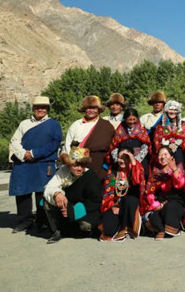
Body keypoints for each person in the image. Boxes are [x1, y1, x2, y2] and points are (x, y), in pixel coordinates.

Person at [9, 96, 62, 233]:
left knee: (42, 193)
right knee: (22, 192)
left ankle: (42, 220)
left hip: (44, 163)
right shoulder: (24, 124)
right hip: (23, 162)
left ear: (48, 109)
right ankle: (25, 221)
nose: (41, 110)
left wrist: (34, 153)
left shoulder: (54, 124)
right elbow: (15, 141)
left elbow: (55, 143)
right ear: (33, 108)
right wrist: (23, 154)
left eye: (44, 107)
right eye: (38, 107)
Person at [43, 146, 102, 244]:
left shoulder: (91, 176)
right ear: (69, 165)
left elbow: (95, 202)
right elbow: (49, 187)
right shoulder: (63, 170)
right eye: (75, 165)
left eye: (82, 166)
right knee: (46, 201)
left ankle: (71, 228)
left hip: (84, 208)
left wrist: (72, 211)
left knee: (86, 226)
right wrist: (57, 194)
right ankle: (57, 230)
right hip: (66, 204)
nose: (79, 169)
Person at [143, 146, 185, 240]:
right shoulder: (155, 171)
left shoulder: (178, 167)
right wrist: (155, 204)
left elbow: (180, 184)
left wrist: (174, 169)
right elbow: (149, 191)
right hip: (161, 201)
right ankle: (161, 229)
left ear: (171, 157)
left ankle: (172, 228)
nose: (163, 157)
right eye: (160, 155)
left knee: (170, 207)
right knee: (154, 216)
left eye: (165, 154)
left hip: (176, 200)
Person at [64, 96, 115, 180]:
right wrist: (72, 164)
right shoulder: (76, 124)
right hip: (78, 165)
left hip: (99, 166)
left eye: (94, 108)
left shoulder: (107, 126)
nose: (91, 110)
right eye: (89, 108)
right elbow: (67, 144)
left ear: (99, 110)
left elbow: (112, 146)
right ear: (84, 109)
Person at [99, 148, 144, 241]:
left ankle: (127, 228)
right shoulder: (113, 171)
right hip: (116, 203)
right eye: (120, 158)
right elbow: (108, 191)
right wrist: (113, 205)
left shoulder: (137, 168)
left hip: (131, 204)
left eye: (126, 158)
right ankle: (117, 229)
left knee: (129, 200)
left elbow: (138, 181)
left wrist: (133, 161)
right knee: (108, 231)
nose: (122, 161)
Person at [106, 108, 151, 177]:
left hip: (139, 161)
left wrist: (137, 160)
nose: (132, 122)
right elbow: (114, 147)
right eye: (130, 120)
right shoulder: (119, 131)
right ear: (125, 119)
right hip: (121, 162)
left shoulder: (141, 131)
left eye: (134, 119)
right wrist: (117, 159)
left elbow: (145, 147)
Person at [152, 100, 185, 166]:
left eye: (175, 110)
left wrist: (176, 144)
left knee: (178, 169)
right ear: (166, 110)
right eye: (171, 109)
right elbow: (156, 140)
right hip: (164, 152)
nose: (173, 112)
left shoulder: (182, 124)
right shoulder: (160, 125)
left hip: (178, 152)